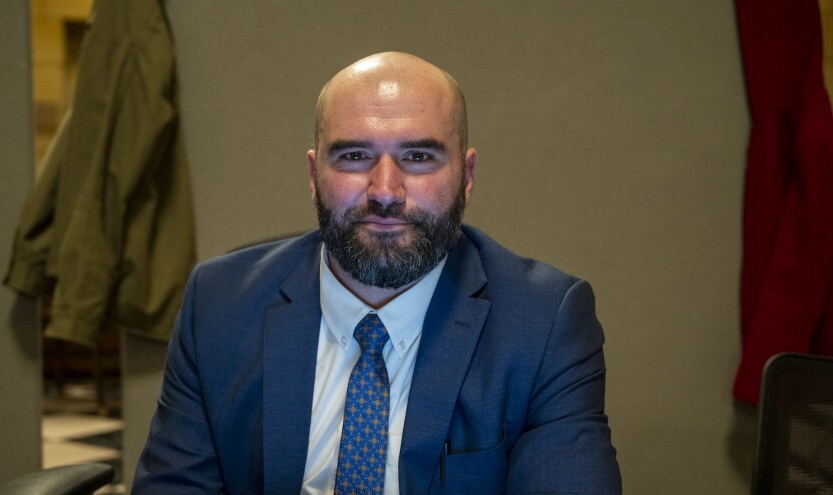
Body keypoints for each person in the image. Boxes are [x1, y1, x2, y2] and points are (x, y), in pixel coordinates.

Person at [133, 52, 621, 494]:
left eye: (418, 156)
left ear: (466, 178)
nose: (385, 190)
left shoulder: (544, 323)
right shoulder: (219, 303)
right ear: (312, 175)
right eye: (354, 156)